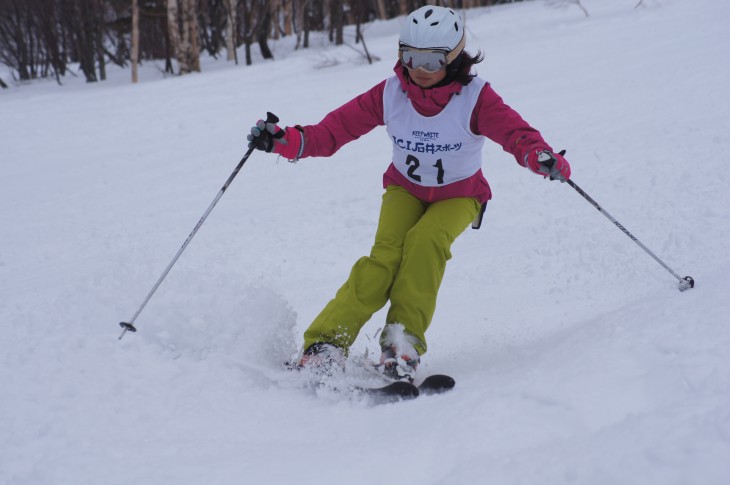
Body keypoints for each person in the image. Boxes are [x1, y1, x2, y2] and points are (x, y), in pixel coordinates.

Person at [247, 5, 570, 382]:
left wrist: (538, 156)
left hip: (460, 195)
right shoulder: (391, 93)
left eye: (431, 61)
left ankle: (402, 344)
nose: (418, 69)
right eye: (409, 56)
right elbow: (334, 130)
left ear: (453, 58)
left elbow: (517, 135)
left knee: (425, 241)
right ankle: (325, 346)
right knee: (383, 260)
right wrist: (286, 141)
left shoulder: (476, 98)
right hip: (404, 189)